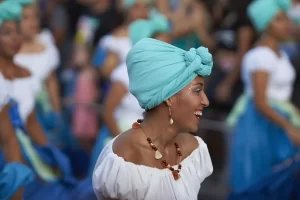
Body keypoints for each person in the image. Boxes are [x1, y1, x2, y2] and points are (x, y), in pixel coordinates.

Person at [93, 38, 213, 199]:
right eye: (197, 90)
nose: (206, 101)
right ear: (169, 97)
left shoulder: (194, 150)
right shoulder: (125, 157)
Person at [228, 0, 300, 198]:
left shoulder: (280, 54)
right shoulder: (260, 55)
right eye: (279, 19)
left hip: (277, 121)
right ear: (266, 24)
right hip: (261, 124)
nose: (286, 23)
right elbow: (260, 101)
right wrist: (288, 126)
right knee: (259, 179)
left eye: (286, 18)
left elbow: (281, 96)